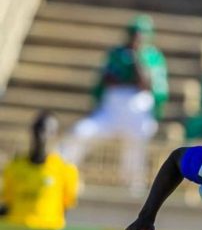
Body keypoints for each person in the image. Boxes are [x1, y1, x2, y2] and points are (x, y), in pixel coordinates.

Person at [60, 15, 169, 195]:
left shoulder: (153, 57)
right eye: (134, 33)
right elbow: (107, 80)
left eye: (141, 34)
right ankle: (61, 175)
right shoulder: (116, 54)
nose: (136, 37)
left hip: (138, 113)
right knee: (81, 132)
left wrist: (137, 57)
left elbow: (147, 84)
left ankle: (133, 192)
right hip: (111, 111)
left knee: (135, 149)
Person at [1, 111, 79, 230]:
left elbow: (66, 206)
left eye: (49, 132)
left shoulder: (65, 169)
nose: (42, 136)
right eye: (39, 130)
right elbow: (7, 203)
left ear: (56, 135)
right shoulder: (13, 167)